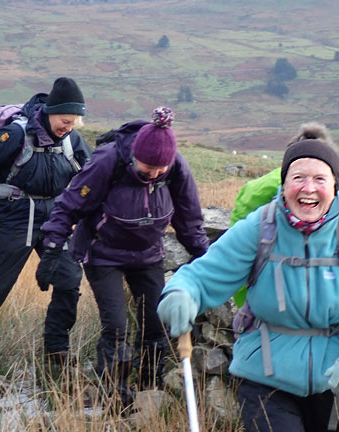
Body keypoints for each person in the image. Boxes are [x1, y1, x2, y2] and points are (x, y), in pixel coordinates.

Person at [158, 132, 339, 431]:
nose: (308, 189)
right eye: (298, 177)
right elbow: (204, 275)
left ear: (334, 186)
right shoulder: (260, 227)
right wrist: (181, 292)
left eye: (320, 179)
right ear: (284, 185)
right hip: (265, 379)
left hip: (338, 378)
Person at [36, 107, 210, 407]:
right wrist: (51, 247)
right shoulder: (107, 161)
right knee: (116, 327)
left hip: (148, 254)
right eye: (146, 170)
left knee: (156, 324)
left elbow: (189, 220)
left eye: (160, 172)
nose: (153, 176)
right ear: (134, 157)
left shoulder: (177, 168)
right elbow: (70, 204)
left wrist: (206, 260)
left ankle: (148, 391)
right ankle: (115, 395)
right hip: (104, 254)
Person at [0, 77, 92, 374]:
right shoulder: (16, 134)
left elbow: (92, 174)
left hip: (57, 217)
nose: (69, 127)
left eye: (74, 122)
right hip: (16, 216)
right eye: (65, 121)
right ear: (51, 112)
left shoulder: (72, 140)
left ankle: (57, 348)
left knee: (68, 281)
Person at [229, 122, 339, 307]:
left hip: (265, 306)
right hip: (332, 310)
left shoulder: (260, 189)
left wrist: (245, 302)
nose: (309, 188)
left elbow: (234, 252)